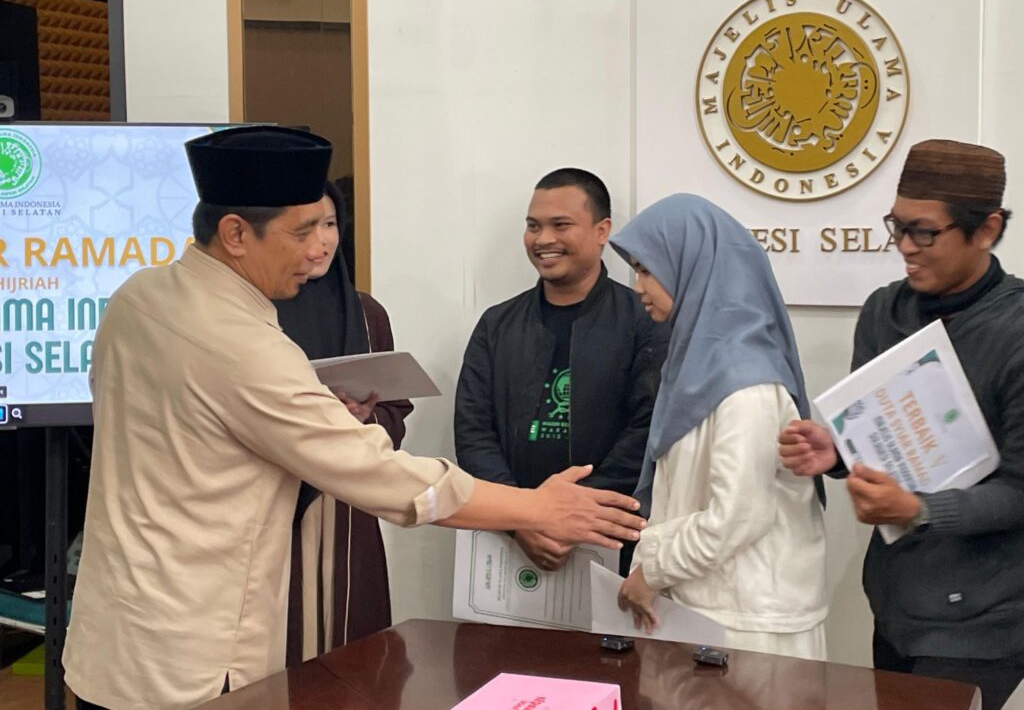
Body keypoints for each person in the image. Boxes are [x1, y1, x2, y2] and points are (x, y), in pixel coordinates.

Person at [62, 127, 645, 710]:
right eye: (300, 232)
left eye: (326, 228)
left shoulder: (139, 295)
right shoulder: (238, 342)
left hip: (112, 638)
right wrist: (537, 508)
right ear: (236, 233)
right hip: (190, 657)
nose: (316, 251)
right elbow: (383, 476)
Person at [779, 140, 1024, 709]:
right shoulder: (884, 312)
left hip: (986, 621)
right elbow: (876, 438)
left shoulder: (1015, 330)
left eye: (925, 232)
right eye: (898, 227)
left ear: (987, 230)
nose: (906, 247)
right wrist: (836, 451)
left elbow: (1020, 490)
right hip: (895, 603)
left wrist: (918, 510)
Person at [613, 193, 828, 660]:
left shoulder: (746, 383)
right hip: (709, 609)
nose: (638, 286)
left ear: (693, 267)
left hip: (751, 625)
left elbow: (739, 516)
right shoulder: (698, 365)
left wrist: (653, 571)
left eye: (647, 270)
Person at [454, 167, 667, 572]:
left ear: (602, 231)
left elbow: (648, 432)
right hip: (509, 537)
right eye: (533, 226)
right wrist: (523, 517)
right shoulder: (497, 325)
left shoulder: (643, 321)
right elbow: (473, 432)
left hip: (609, 536)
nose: (543, 239)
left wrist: (569, 515)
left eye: (560, 225)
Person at [275, 180, 408, 663]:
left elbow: (396, 412)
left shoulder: (368, 315)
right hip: (277, 501)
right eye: (306, 228)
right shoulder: (254, 316)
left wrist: (366, 418)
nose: (322, 240)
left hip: (350, 511)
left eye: (330, 224)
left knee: (354, 656)